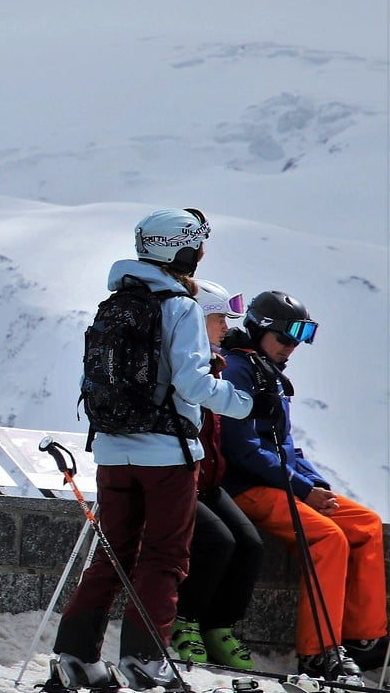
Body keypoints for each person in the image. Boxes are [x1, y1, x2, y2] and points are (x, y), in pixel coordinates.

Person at [48, 208, 254, 692]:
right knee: (164, 557)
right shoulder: (179, 306)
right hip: (167, 455)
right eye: (199, 243)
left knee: (112, 554)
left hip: (112, 452)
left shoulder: (115, 303)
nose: (202, 253)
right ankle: (145, 661)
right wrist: (241, 401)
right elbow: (189, 381)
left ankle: (75, 656)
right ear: (183, 250)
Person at [219, 291, 388, 685]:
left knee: (365, 524)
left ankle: (365, 637)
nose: (291, 348)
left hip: (279, 480)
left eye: (297, 341)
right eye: (284, 339)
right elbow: (242, 449)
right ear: (260, 331)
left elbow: (286, 444)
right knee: (326, 538)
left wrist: (316, 485)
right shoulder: (237, 370)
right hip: (245, 486)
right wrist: (300, 488)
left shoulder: (267, 371)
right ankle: (318, 652)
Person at [169, 279, 262, 670]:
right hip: (179, 477)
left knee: (250, 544)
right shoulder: (189, 367)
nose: (226, 327)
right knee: (217, 542)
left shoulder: (215, 365)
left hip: (207, 481)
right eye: (218, 318)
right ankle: (185, 622)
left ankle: (219, 626)